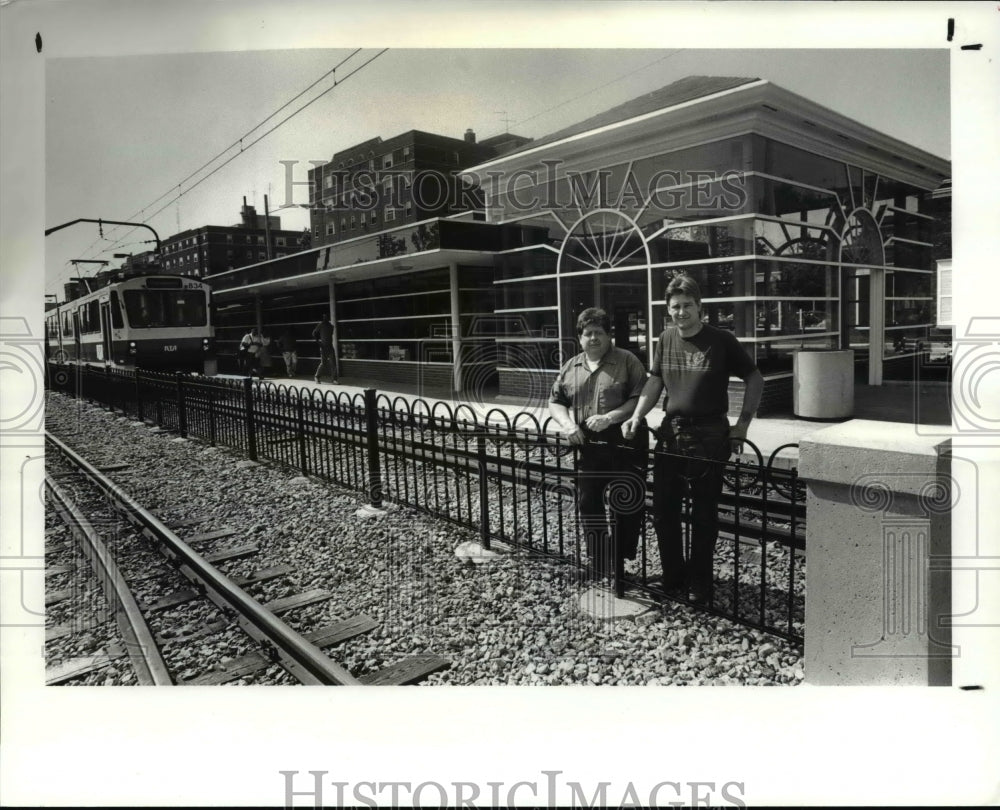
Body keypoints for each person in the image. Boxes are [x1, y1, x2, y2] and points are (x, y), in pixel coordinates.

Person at [623, 274, 763, 604]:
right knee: (664, 512)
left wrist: (742, 425)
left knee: (704, 515)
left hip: (711, 435)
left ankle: (701, 585)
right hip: (672, 432)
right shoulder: (665, 339)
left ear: (700, 307)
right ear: (668, 310)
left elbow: (754, 378)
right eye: (675, 307)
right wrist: (637, 415)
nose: (681, 312)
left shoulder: (722, 340)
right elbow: (655, 381)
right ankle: (673, 578)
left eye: (688, 306)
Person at [549, 307, 648, 584]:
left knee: (627, 504)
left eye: (599, 333)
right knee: (588, 502)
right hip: (589, 447)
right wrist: (568, 425)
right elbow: (556, 401)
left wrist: (610, 418)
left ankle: (620, 559)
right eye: (587, 333)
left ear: (608, 336)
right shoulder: (571, 366)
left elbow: (639, 399)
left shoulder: (627, 361)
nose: (593, 338)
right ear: (579, 337)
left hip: (623, 444)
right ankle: (601, 561)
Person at [312, 311, 338, 384]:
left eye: (326, 317)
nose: (325, 318)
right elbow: (314, 333)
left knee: (333, 363)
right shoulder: (320, 325)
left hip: (330, 346)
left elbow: (329, 335)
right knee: (323, 363)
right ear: (322, 318)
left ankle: (334, 379)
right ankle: (317, 377)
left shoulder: (331, 326)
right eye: (324, 316)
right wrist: (318, 342)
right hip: (323, 346)